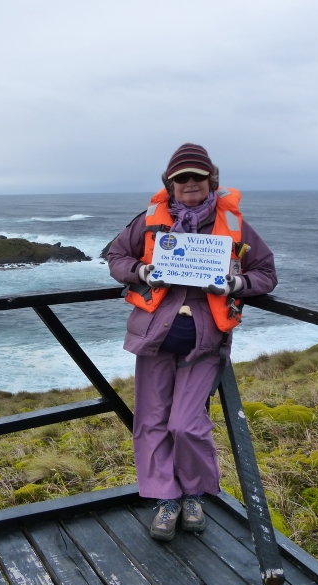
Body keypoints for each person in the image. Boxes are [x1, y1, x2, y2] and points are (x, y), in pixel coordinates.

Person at [107, 143, 277, 541]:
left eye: (197, 177)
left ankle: (194, 493)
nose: (189, 184)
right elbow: (116, 257)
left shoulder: (234, 225)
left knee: (185, 425)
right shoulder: (148, 221)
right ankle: (166, 498)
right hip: (155, 337)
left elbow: (266, 273)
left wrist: (237, 283)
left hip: (205, 342)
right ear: (170, 183)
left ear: (211, 181)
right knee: (151, 420)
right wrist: (143, 272)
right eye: (180, 178)